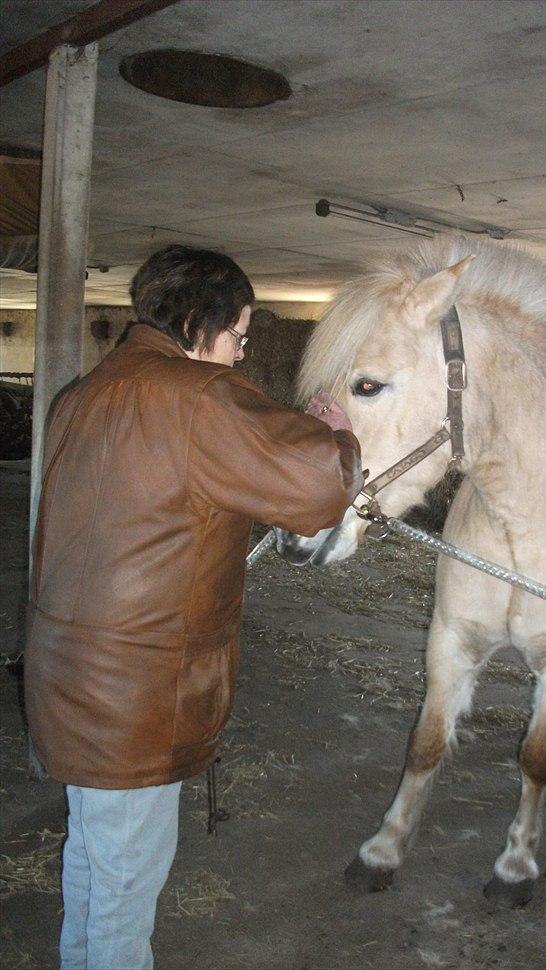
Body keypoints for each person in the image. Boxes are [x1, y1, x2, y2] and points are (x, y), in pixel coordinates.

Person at [23, 245, 362, 970]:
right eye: (240, 337)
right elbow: (313, 484)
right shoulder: (198, 395)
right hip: (136, 698)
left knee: (93, 857)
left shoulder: (84, 393)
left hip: (69, 676)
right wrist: (336, 432)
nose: (240, 356)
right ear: (198, 322)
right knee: (126, 884)